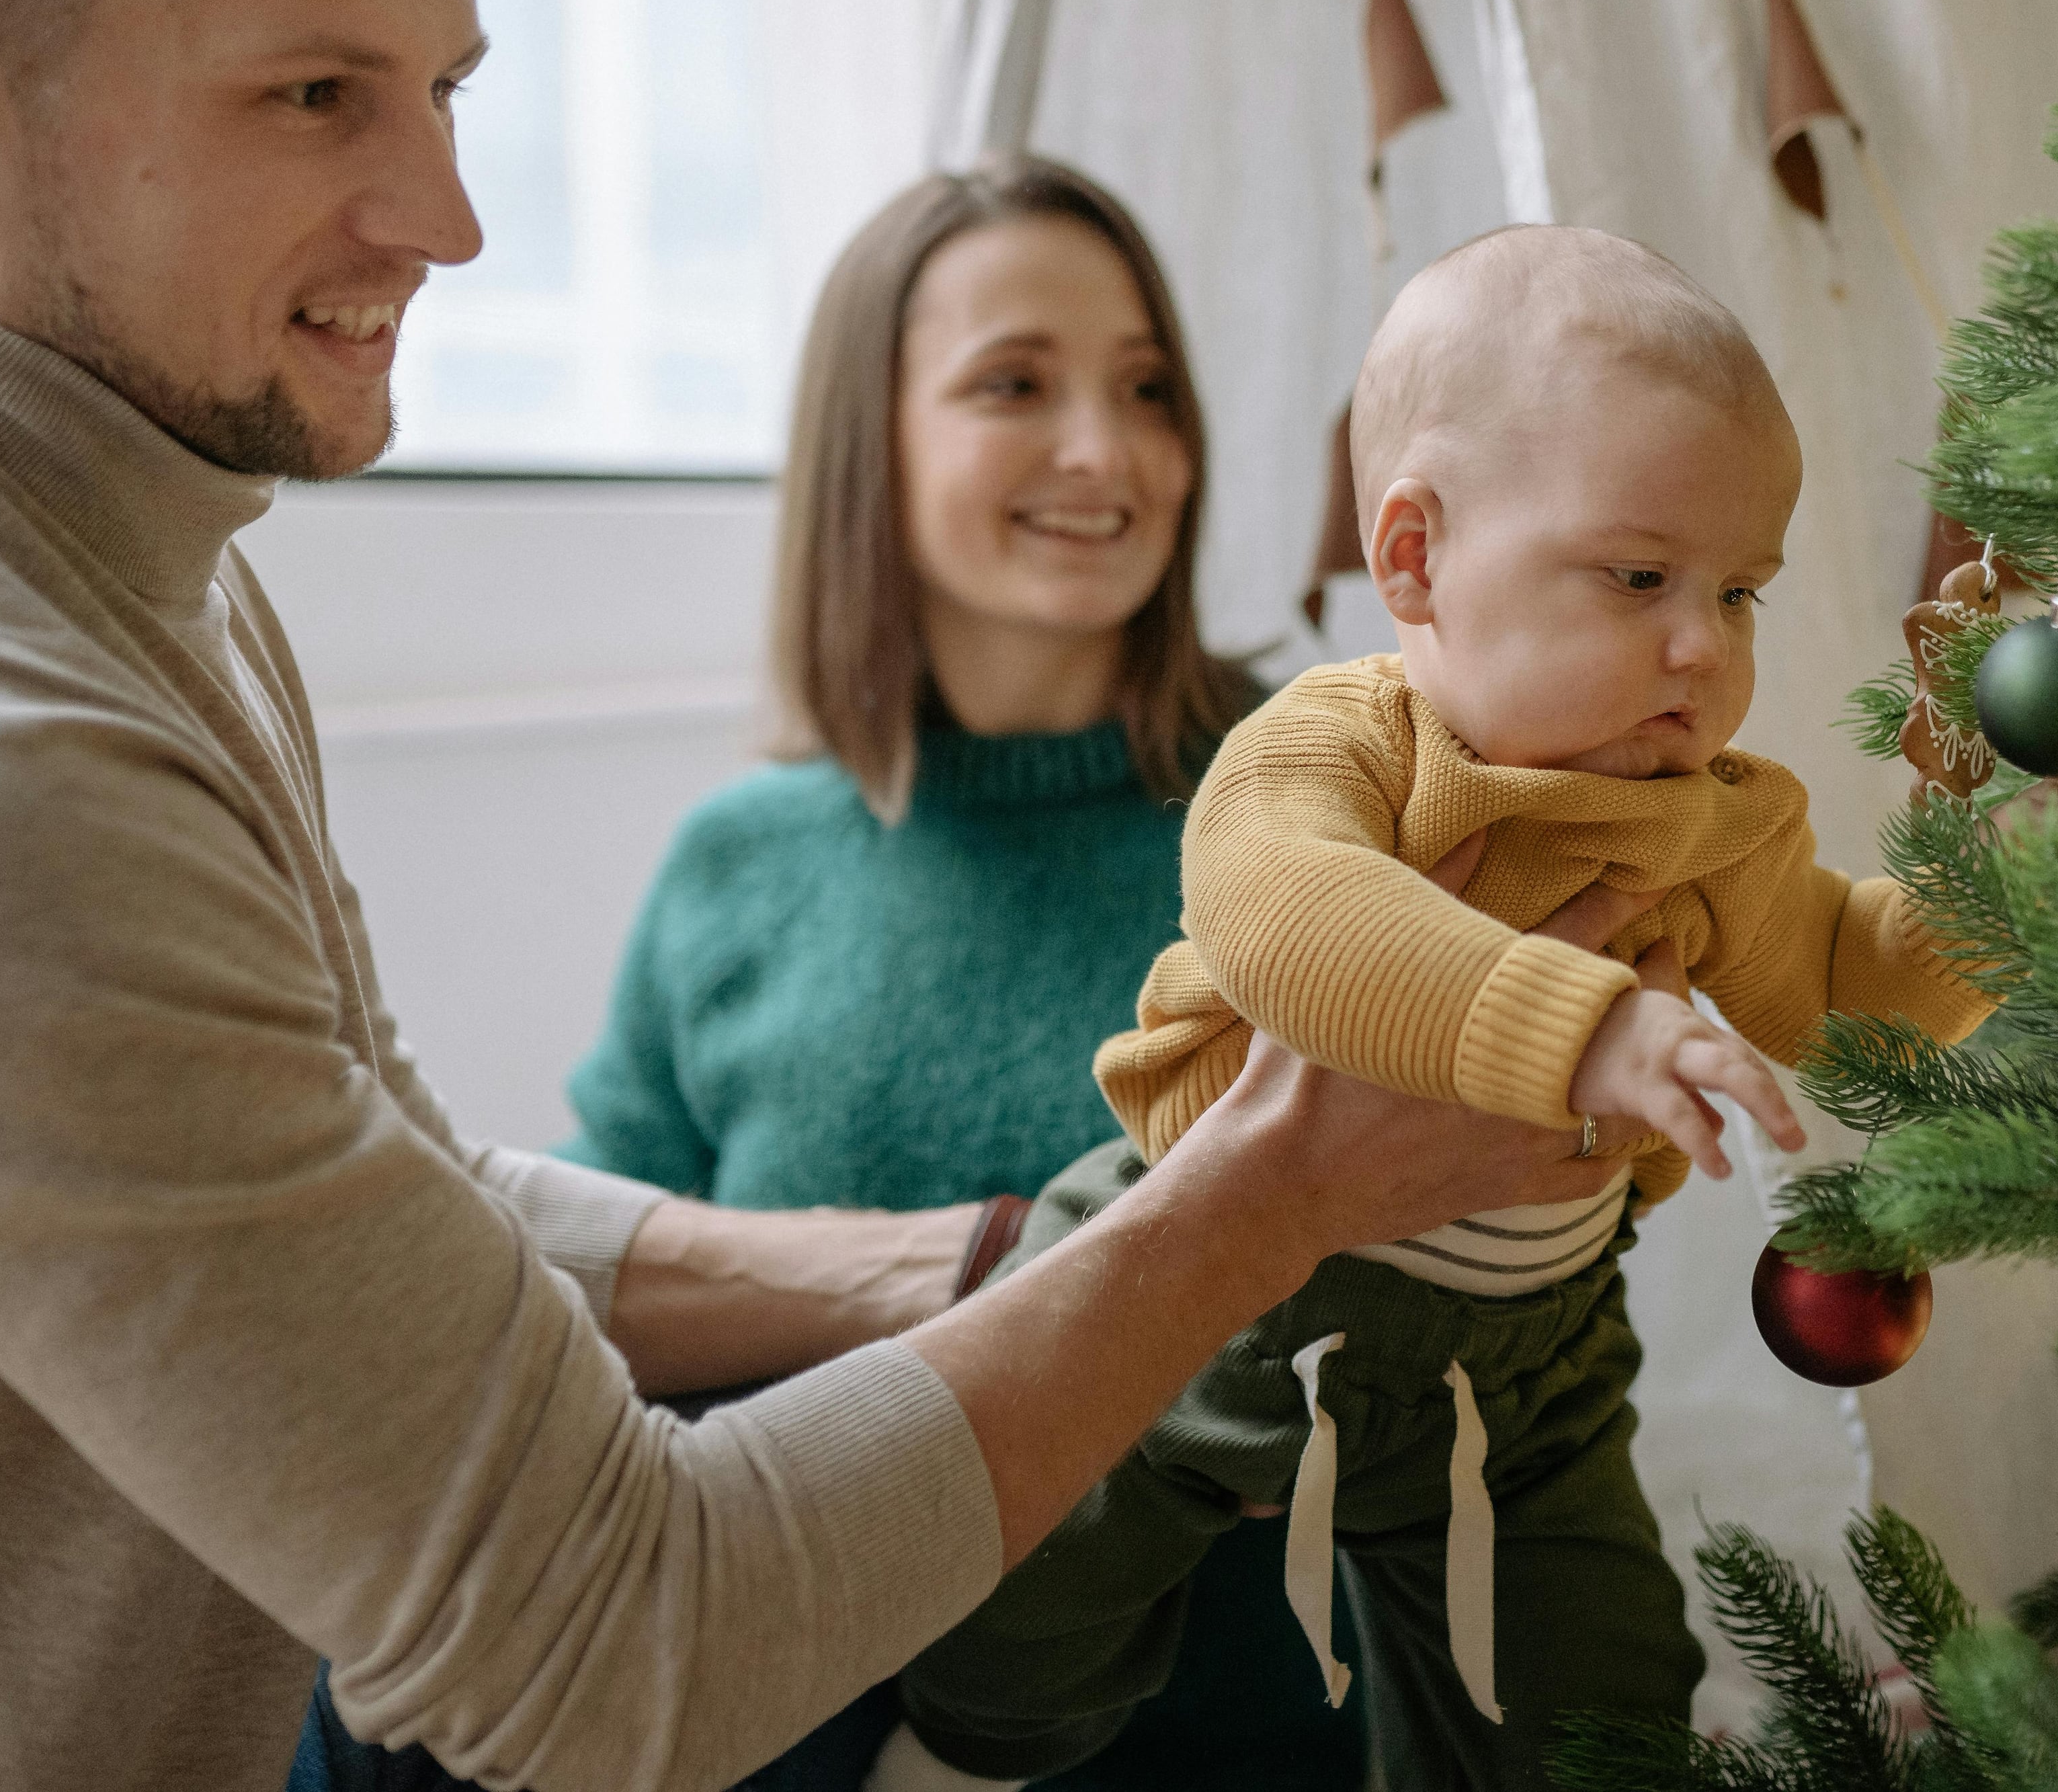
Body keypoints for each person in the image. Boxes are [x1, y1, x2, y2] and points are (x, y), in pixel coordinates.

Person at [0, 0, 1616, 1789]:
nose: (447, 214)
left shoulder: (139, 539)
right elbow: (605, 1647)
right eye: (313, 94)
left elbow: (419, 1182)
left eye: (444, 87)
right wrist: (1260, 1193)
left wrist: (960, 1260)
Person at [890, 229, 2000, 1791]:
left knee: (1593, 1692)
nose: (1703, 643)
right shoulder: (1342, 745)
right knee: (1015, 1609)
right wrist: (1590, 1028)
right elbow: (1294, 924)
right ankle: (947, 1761)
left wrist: (2019, 881)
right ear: (1413, 558)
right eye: (1638, 575)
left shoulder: (1713, 817)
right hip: (1201, 1287)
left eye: (1739, 589)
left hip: (1525, 1365)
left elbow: (1837, 988)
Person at [302, 159, 1364, 1790]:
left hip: (1190, 1715)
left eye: (1146, 387)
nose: (1107, 450)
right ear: (874, 437)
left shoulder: (1312, 810)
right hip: (777, 1703)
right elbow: (597, 1326)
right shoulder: (738, 863)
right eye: (1016, 382)